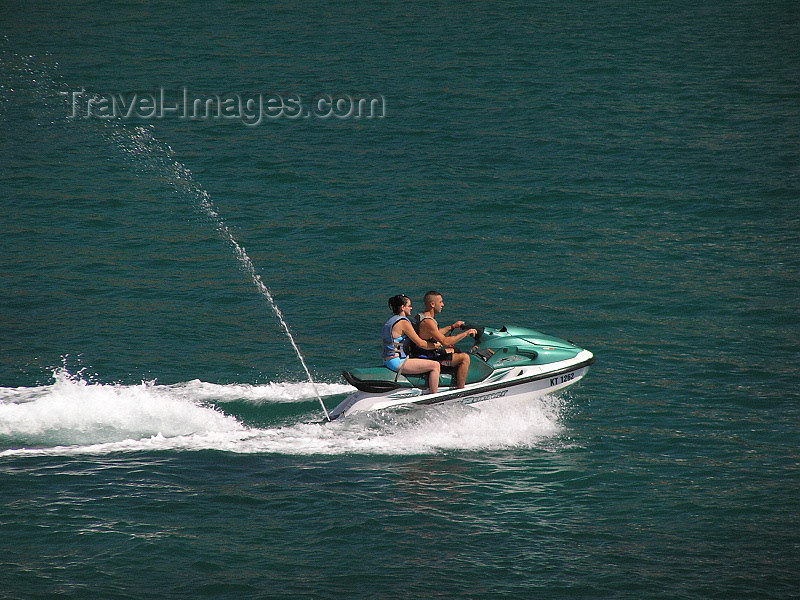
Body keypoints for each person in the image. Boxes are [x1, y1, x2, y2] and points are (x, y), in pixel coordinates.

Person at [414, 290, 477, 389]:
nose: (443, 304)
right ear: (432, 304)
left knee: (456, 351)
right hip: (428, 357)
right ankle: (461, 390)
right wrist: (465, 333)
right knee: (465, 357)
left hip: (424, 352)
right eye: (440, 302)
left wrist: (452, 327)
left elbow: (435, 333)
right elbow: (445, 342)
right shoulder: (428, 322)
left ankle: (453, 379)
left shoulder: (421, 316)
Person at [383, 294, 444, 393]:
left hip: (388, 360)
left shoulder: (391, 321)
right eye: (409, 306)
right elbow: (421, 343)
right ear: (402, 307)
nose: (411, 308)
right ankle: (434, 395)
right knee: (435, 365)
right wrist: (436, 345)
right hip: (397, 362)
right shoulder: (404, 323)